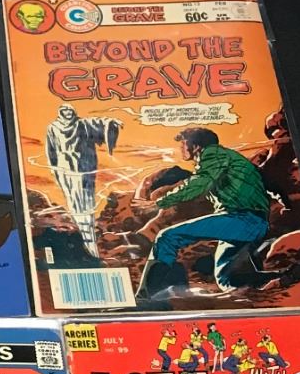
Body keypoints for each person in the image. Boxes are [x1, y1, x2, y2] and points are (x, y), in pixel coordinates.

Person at [138, 127, 272, 302]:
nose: (181, 148)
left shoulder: (213, 154)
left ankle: (148, 297)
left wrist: (159, 203)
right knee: (228, 280)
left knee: (167, 237)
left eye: (183, 144)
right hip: (249, 222)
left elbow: (200, 183)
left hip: (243, 220)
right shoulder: (225, 158)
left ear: (195, 145)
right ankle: (284, 276)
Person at [44, 104, 120, 254]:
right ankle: (81, 233)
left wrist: (111, 123)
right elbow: (50, 150)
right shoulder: (53, 128)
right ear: (60, 112)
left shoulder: (82, 124)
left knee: (86, 199)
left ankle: (89, 235)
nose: (67, 113)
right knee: (72, 198)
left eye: (69, 110)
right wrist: (54, 168)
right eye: (64, 111)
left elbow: (99, 123)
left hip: (84, 167)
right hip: (65, 168)